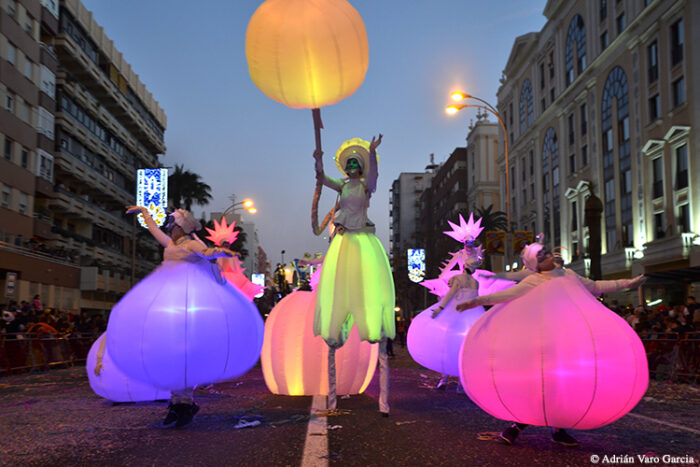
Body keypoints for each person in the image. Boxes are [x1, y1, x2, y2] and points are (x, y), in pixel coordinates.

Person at [457, 238, 647, 447]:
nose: (546, 256)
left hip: (570, 339)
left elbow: (595, 286)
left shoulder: (569, 274)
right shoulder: (533, 280)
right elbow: (506, 295)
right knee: (537, 383)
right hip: (541, 341)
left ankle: (559, 430)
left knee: (564, 383)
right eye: (540, 256)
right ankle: (517, 426)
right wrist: (476, 301)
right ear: (535, 265)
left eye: (545, 252)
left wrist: (627, 283)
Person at [124, 205, 232, 428]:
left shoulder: (192, 244)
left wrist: (223, 252)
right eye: (169, 226)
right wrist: (144, 212)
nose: (169, 229)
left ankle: (185, 403)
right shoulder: (170, 244)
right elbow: (153, 229)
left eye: (172, 225)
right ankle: (177, 403)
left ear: (181, 227)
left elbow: (208, 253)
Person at [313, 134, 395, 416]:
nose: (350, 167)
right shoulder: (343, 187)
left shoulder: (366, 187)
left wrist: (372, 152)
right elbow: (323, 179)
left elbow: (375, 176)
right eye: (347, 164)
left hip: (363, 243)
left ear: (360, 167)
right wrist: (317, 163)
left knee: (370, 294)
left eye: (355, 164)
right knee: (337, 294)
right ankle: (333, 400)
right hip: (343, 243)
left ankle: (384, 402)